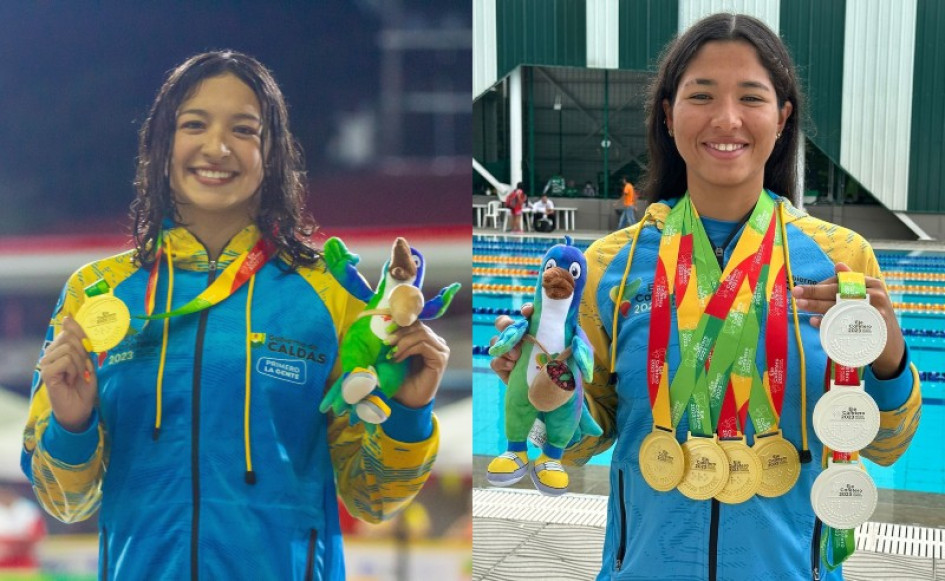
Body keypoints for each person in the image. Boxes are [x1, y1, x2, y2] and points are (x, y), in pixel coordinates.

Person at [490, 14, 920, 580]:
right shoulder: (607, 269)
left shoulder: (841, 261)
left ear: (782, 117)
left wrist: (890, 365)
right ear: (669, 115)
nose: (726, 118)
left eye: (751, 97)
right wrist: (547, 388)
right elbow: (576, 448)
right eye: (702, 95)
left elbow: (886, 448)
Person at [21, 51, 449, 580]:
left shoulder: (330, 294)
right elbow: (64, 500)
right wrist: (71, 423)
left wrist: (409, 412)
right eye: (194, 124)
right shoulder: (96, 292)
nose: (217, 148)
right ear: (161, 145)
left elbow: (373, 497)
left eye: (244, 129)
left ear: (272, 155)